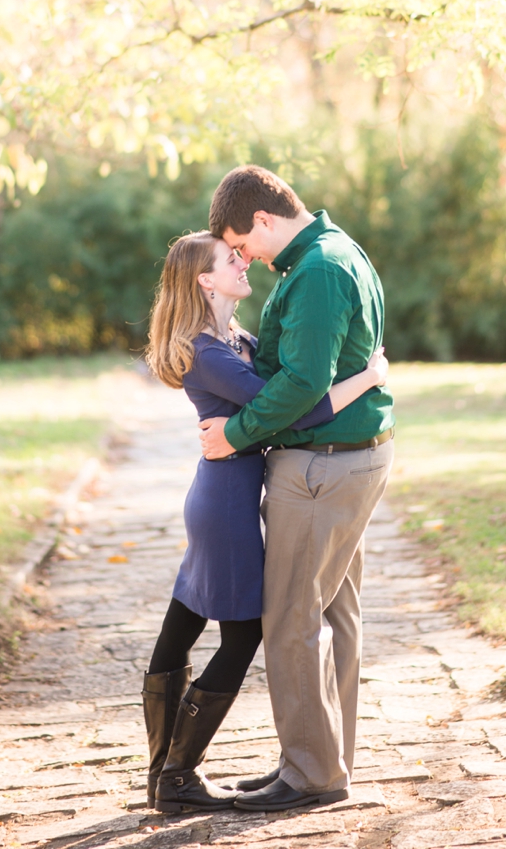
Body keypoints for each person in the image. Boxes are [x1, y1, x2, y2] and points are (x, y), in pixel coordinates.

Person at [142, 231, 386, 814]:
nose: (243, 262)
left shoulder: (232, 337)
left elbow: (285, 380)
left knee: (183, 620)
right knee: (243, 631)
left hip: (220, 499)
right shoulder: (207, 351)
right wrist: (369, 377)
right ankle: (176, 775)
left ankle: (163, 773)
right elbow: (289, 407)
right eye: (232, 260)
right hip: (224, 508)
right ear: (205, 280)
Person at [197, 166, 394, 813]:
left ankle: (312, 775)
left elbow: (304, 380)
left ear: (263, 221)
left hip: (321, 467)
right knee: (334, 614)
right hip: (345, 460)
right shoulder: (336, 252)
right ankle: (320, 758)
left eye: (241, 243)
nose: (243, 257)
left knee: (291, 617)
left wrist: (238, 432)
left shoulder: (316, 272)